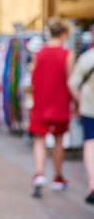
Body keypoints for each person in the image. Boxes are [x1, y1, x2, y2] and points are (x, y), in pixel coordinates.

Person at [29, 20, 75, 198]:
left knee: (39, 140)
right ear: (63, 33)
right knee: (58, 140)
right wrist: (76, 102)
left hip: (40, 102)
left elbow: (33, 78)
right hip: (60, 103)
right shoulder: (67, 54)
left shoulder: (38, 54)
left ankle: (39, 173)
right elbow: (70, 81)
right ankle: (57, 176)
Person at [68, 46, 94, 204]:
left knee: (90, 144)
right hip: (88, 109)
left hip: (89, 108)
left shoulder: (87, 58)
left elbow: (72, 84)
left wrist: (79, 101)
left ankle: (92, 183)